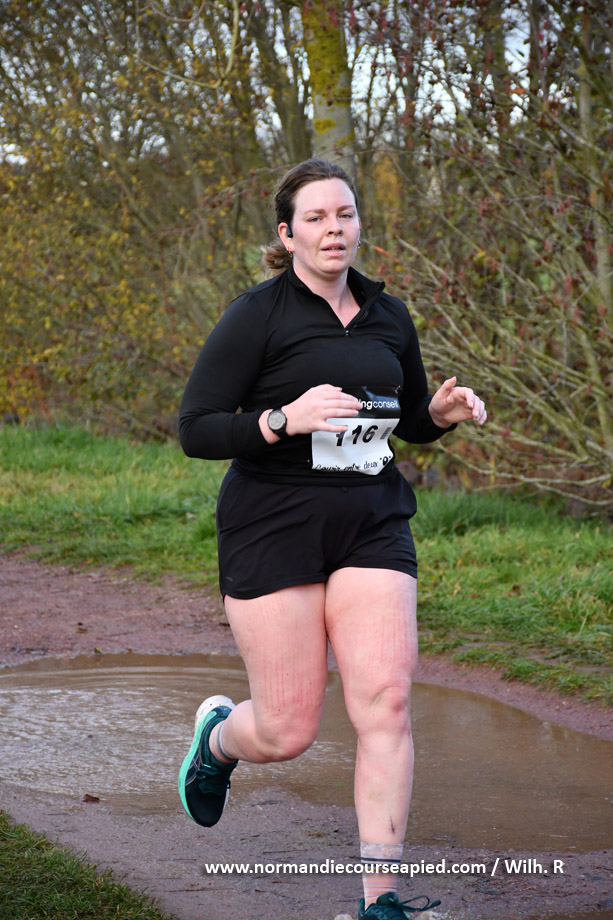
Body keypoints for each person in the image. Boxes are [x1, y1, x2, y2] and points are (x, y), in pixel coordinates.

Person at [177, 158, 487, 920]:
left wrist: (437, 415)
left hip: (370, 518)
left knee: (385, 699)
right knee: (287, 730)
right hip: (273, 520)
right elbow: (195, 428)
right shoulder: (257, 315)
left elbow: (403, 418)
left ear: (358, 224)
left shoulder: (389, 316)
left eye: (343, 214)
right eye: (314, 218)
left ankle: (379, 902)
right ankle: (218, 740)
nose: (333, 229)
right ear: (287, 235)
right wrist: (282, 419)